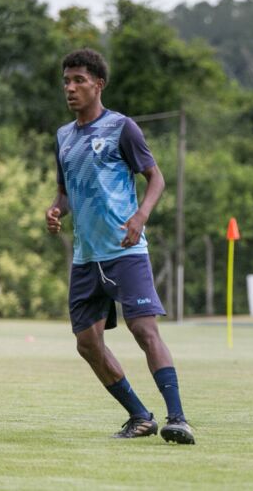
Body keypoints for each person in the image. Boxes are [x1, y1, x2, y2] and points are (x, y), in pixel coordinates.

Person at [46, 48, 194, 444]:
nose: (71, 88)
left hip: (125, 251)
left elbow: (156, 178)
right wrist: (56, 210)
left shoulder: (122, 128)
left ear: (99, 84)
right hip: (86, 257)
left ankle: (177, 417)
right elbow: (65, 193)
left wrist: (140, 217)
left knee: (144, 329)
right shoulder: (63, 137)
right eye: (66, 81)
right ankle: (139, 416)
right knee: (87, 342)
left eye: (79, 80)